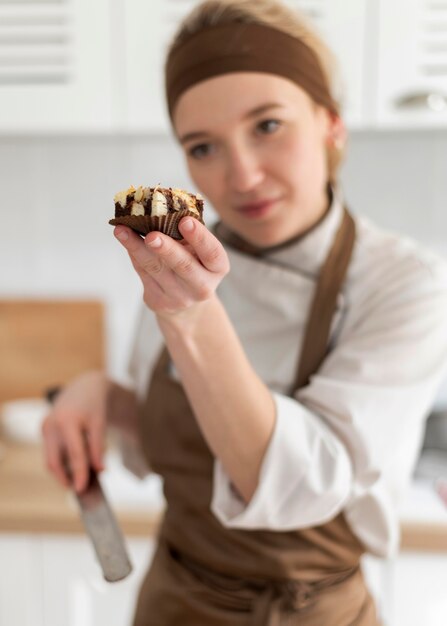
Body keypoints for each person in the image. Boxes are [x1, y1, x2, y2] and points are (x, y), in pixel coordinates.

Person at [42, 1, 447, 624]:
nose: (244, 175)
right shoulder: (173, 259)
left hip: (310, 612)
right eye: (202, 147)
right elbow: (161, 448)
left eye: (267, 126)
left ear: (331, 123)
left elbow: (299, 487)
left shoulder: (403, 283)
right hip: (173, 600)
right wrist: (102, 396)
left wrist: (191, 316)